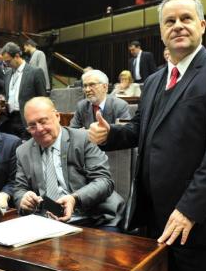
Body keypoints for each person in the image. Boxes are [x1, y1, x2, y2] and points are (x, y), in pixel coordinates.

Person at [88, 0, 206, 271]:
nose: (178, 26)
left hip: (201, 221)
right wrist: (110, 135)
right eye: (169, 21)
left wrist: (188, 209)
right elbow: (140, 128)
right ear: (161, 32)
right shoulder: (155, 79)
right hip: (159, 222)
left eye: (186, 18)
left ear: (202, 25)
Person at [14, 97, 124, 230]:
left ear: (57, 116)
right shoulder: (23, 151)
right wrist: (23, 199)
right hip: (47, 223)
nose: (39, 129)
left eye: (43, 121)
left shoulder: (83, 139)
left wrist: (74, 198)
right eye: (32, 126)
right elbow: (20, 189)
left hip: (93, 219)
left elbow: (104, 181)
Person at [1, 42, 46, 139]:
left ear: (17, 56)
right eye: (5, 63)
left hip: (27, 121)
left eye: (8, 61)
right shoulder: (8, 74)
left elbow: (43, 99)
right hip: (10, 119)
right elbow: (6, 95)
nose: (7, 65)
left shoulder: (35, 72)